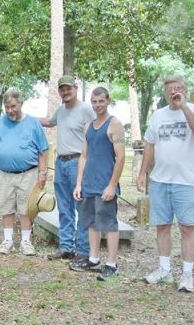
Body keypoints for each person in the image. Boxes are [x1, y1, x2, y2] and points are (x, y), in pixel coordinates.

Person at [137, 75, 194, 293]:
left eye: (178, 88)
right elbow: (150, 145)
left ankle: (187, 274)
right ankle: (164, 269)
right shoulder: (158, 115)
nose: (174, 92)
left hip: (187, 180)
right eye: (170, 89)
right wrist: (143, 173)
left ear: (184, 91)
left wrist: (184, 107)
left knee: (187, 227)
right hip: (161, 179)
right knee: (162, 225)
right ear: (165, 92)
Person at [0, 88, 49, 256]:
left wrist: (42, 173)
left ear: (21, 103)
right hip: (4, 174)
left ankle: (26, 242)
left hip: (28, 173)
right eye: (7, 107)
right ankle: (7, 240)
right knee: (6, 207)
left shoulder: (33, 123)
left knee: (26, 208)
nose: (10, 110)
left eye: (13, 106)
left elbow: (43, 149)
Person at [71, 87, 125, 279]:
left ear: (108, 101)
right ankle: (93, 258)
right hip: (89, 183)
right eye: (94, 102)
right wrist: (79, 184)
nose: (97, 105)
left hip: (105, 184)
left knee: (108, 224)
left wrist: (112, 185)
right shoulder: (88, 126)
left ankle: (112, 264)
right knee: (91, 222)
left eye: (101, 101)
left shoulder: (114, 124)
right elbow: (84, 156)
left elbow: (120, 158)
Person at [40, 75, 95, 263]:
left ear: (76, 88)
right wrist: (26, 117)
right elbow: (49, 122)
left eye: (68, 88)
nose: (65, 92)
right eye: (62, 89)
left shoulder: (86, 110)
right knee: (64, 207)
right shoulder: (61, 110)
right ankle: (66, 247)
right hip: (61, 162)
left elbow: (95, 134)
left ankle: (83, 249)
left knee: (82, 207)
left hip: (78, 162)